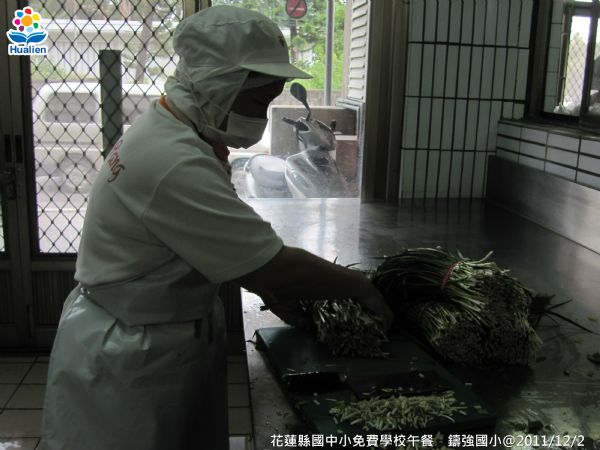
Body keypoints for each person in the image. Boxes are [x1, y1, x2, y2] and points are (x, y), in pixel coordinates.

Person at [40, 6, 393, 450]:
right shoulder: (173, 160)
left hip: (158, 334)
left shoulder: (172, 129)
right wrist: (360, 287)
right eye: (258, 101)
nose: (263, 115)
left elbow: (216, 245)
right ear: (218, 84)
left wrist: (269, 288)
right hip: (131, 358)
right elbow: (272, 265)